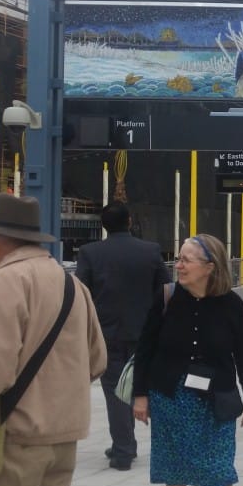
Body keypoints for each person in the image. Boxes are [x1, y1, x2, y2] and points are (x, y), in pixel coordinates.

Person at [0, 194, 107, 486]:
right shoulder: (72, 285)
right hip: (63, 438)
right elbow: (97, 360)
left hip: (13, 439)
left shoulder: (1, 284)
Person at [132, 234, 243, 486]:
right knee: (173, 473)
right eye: (178, 259)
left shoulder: (231, 304)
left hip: (215, 401)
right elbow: (145, 349)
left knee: (220, 472)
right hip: (170, 399)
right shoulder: (166, 298)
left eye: (185, 260)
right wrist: (140, 395)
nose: (178, 265)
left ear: (209, 266)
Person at [75, 201, 170, 471]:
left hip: (108, 334)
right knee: (142, 387)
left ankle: (124, 449)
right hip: (146, 333)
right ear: (130, 221)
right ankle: (145, 443)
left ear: (103, 225)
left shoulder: (89, 252)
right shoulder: (149, 251)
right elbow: (166, 290)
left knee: (116, 392)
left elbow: (82, 292)